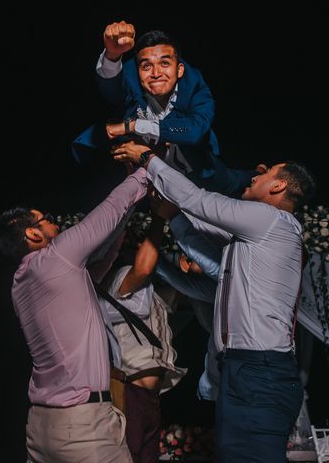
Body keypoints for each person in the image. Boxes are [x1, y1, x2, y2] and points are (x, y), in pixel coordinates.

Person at [113, 142, 316, 463]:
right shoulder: (258, 235)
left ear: (278, 186)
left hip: (258, 371)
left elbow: (199, 201)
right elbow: (199, 220)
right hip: (249, 369)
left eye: (266, 175)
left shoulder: (270, 220)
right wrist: (172, 211)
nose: (254, 176)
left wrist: (148, 158)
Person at [0, 168, 149, 463]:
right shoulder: (57, 255)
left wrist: (120, 235)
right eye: (47, 219)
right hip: (83, 428)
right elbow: (110, 208)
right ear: (32, 233)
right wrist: (146, 169)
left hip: (40, 427)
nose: (55, 222)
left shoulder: (21, 284)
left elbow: (84, 281)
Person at [73, 20, 255, 197]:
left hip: (196, 167)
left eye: (165, 63)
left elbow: (194, 130)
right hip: (151, 170)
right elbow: (112, 91)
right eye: (146, 66)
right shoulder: (132, 78)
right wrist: (112, 55)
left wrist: (133, 126)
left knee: (233, 183)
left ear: (180, 70)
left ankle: (259, 172)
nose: (156, 73)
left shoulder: (195, 87)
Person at [100, 195, 186, 463]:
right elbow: (144, 266)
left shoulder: (149, 295)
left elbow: (177, 294)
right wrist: (159, 218)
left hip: (148, 398)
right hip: (131, 395)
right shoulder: (120, 277)